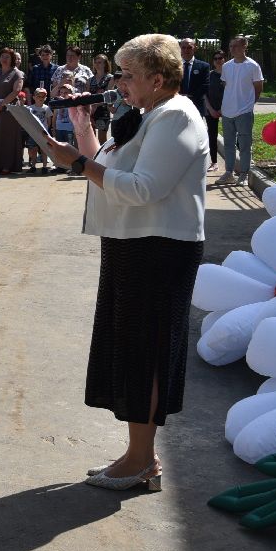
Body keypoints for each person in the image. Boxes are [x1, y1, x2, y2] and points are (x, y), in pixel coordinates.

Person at [45, 33, 209, 492]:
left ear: (158, 79)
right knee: (132, 348)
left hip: (159, 250)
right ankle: (140, 456)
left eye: (127, 74)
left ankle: (142, 461)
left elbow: (141, 188)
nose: (118, 82)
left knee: (147, 352)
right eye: (119, 72)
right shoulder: (146, 115)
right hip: (132, 243)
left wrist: (78, 164)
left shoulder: (176, 116)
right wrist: (82, 130)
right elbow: (109, 166)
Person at [218, 35, 265, 186]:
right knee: (229, 144)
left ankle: (244, 173)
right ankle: (229, 172)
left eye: (236, 46)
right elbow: (227, 85)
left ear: (244, 47)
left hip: (244, 111)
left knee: (244, 144)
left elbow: (258, 88)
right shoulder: (226, 66)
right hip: (227, 111)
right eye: (231, 46)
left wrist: (249, 104)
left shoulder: (253, 66)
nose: (232, 49)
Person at [178, 38, 213, 171]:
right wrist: (180, 97)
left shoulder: (203, 66)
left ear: (195, 48)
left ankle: (195, 162)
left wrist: (189, 97)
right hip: (178, 105)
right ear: (180, 48)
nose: (186, 50)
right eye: (184, 47)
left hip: (197, 106)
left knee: (195, 134)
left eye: (189, 47)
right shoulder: (174, 66)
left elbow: (205, 85)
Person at [50, 47, 94, 144]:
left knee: (80, 139)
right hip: (63, 111)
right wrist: (61, 83)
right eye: (67, 55)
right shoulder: (59, 70)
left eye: (72, 56)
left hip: (80, 107)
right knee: (64, 143)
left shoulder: (86, 70)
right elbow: (53, 93)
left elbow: (89, 89)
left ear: (79, 57)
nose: (69, 58)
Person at [89, 54, 115, 146]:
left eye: (99, 62)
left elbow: (109, 95)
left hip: (103, 111)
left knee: (102, 139)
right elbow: (87, 95)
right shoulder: (90, 79)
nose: (97, 64)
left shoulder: (110, 78)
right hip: (91, 112)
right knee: (91, 138)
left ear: (105, 64)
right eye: (95, 62)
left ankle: (103, 159)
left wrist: (96, 104)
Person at [27, 88, 54, 172]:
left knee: (44, 150)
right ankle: (33, 166)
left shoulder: (46, 108)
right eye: (38, 96)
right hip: (33, 132)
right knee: (33, 150)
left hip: (43, 133)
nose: (41, 98)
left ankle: (45, 167)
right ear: (34, 97)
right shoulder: (30, 108)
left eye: (43, 96)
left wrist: (45, 129)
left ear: (45, 98)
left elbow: (49, 122)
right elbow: (28, 120)